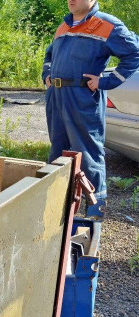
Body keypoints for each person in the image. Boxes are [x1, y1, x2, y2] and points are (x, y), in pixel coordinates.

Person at [42, 0, 139, 220]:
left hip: (82, 97)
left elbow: (134, 54)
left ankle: (95, 210)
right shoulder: (64, 26)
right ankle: (62, 204)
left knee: (88, 152)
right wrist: (46, 75)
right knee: (59, 149)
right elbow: (49, 56)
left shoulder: (106, 24)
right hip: (56, 96)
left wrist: (105, 81)